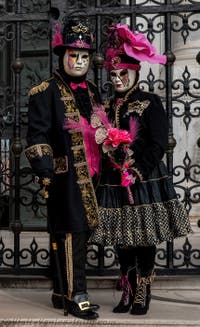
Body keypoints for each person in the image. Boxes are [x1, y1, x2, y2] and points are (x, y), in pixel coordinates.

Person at [90, 23, 192, 315]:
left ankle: (143, 291)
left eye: (124, 73)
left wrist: (138, 170)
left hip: (143, 179)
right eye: (114, 75)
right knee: (122, 237)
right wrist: (105, 148)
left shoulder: (150, 102)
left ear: (135, 72)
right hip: (114, 180)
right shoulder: (107, 107)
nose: (119, 79)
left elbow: (159, 142)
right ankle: (128, 288)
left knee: (144, 235)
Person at [25, 17, 101, 320]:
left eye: (84, 56)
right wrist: (45, 170)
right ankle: (76, 295)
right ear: (62, 55)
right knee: (72, 233)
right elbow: (37, 135)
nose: (80, 61)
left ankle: (59, 290)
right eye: (74, 55)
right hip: (65, 175)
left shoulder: (93, 89)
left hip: (93, 174)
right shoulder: (44, 91)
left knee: (80, 232)